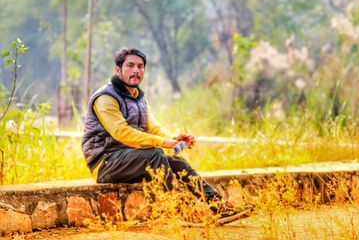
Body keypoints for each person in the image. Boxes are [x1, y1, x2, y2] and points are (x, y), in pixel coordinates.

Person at [81, 47, 249, 220]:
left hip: (130, 159)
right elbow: (121, 133)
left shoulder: (138, 98)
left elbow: (153, 127)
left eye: (140, 66)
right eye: (130, 66)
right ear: (118, 69)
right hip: (106, 163)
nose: (136, 71)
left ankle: (217, 205)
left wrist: (173, 139)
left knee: (177, 162)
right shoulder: (105, 98)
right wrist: (162, 143)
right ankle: (182, 212)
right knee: (155, 154)